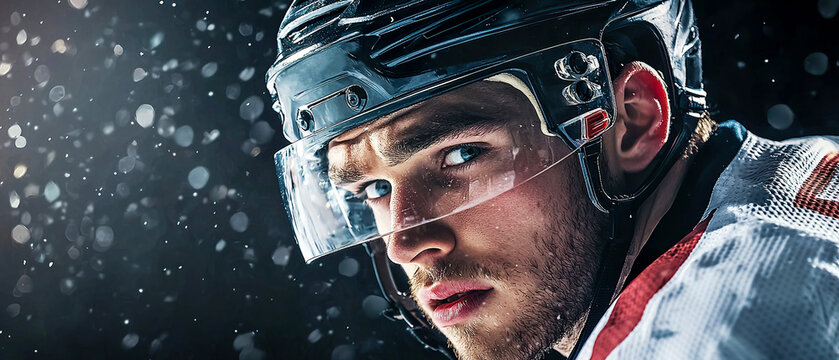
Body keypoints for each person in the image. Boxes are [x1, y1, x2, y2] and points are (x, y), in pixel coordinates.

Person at [265, 1, 839, 359]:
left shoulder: (706, 335)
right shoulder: (783, 195)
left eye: (460, 155)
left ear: (631, 122)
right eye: (372, 189)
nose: (406, 243)